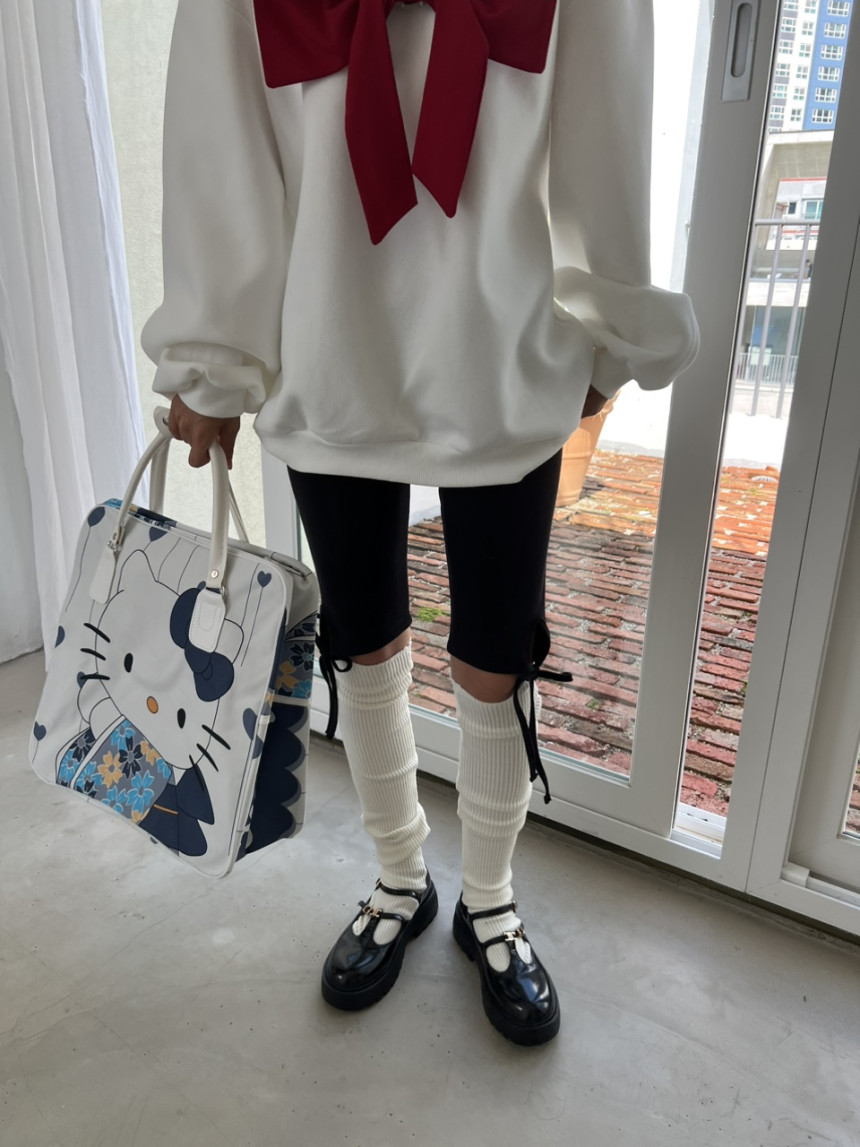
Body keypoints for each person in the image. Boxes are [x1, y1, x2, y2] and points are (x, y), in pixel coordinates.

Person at [142, 0, 699, 1046]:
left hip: (501, 347)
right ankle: (401, 875)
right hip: (324, 345)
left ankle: (490, 897)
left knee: (496, 646)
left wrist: (611, 327)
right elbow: (219, 132)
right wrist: (212, 355)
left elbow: (605, 119)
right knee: (363, 640)